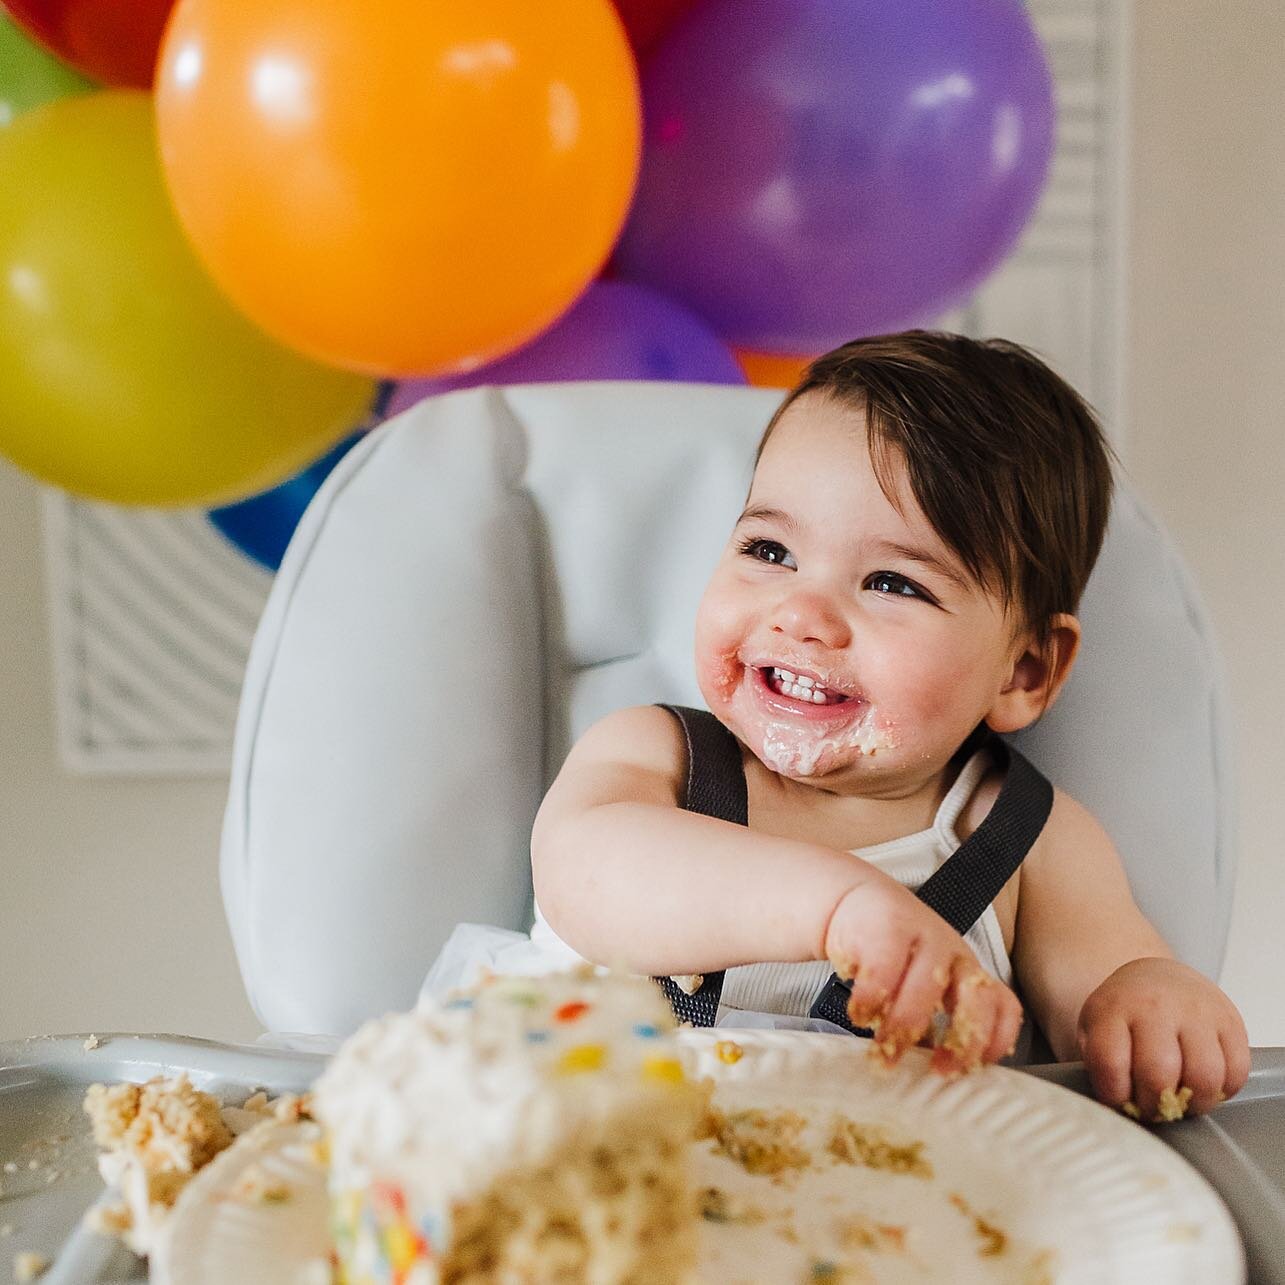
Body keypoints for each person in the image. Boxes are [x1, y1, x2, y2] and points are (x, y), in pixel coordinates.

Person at [432, 331, 1250, 1123]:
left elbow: (1108, 996)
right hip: (578, 1175)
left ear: (1022, 671)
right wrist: (834, 910)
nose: (802, 613)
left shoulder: (1027, 844)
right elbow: (586, 874)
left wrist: (1153, 1003)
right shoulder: (656, 757)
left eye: (892, 582)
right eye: (770, 550)